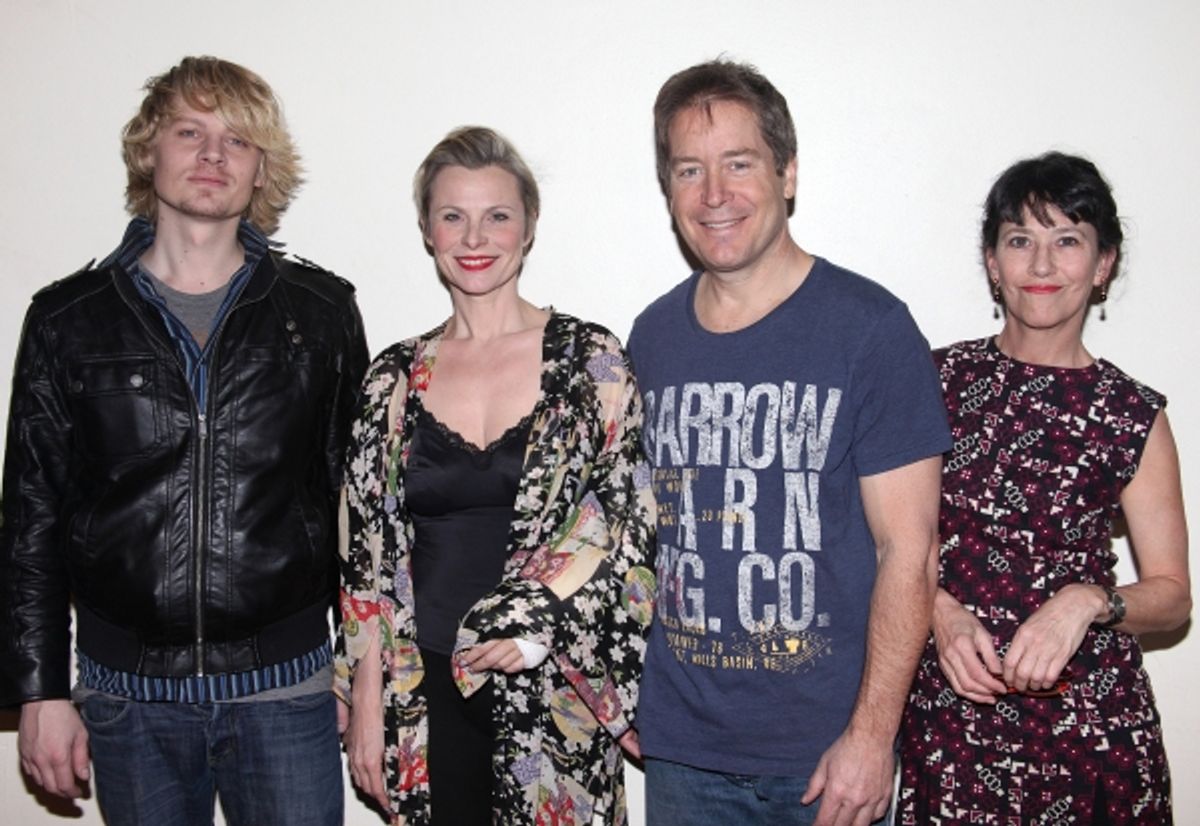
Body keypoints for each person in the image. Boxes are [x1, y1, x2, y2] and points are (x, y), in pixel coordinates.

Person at [0, 56, 369, 826]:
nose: (211, 156)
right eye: (190, 132)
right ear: (148, 150)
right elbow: (29, 520)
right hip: (126, 700)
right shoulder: (67, 320)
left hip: (288, 691)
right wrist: (37, 691)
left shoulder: (321, 313)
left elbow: (359, 515)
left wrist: (364, 672)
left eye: (237, 141)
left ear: (261, 168)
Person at [627, 59, 952, 826]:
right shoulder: (650, 337)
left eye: (739, 164)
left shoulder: (871, 329)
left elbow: (910, 551)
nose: (714, 195)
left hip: (823, 758)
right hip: (681, 752)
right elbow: (632, 536)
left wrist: (873, 737)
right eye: (689, 170)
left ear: (788, 173)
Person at [336, 125, 657, 826]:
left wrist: (539, 624)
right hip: (420, 692)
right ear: (427, 230)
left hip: (556, 689)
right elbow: (365, 559)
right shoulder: (390, 378)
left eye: (497, 215)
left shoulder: (590, 362)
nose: (474, 236)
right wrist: (364, 700)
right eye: (453, 215)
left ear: (529, 226)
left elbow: (629, 529)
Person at [898, 151, 1191, 824]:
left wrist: (1086, 602)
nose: (1041, 265)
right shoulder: (933, 382)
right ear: (993, 262)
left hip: (1094, 736)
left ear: (1103, 264)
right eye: (1020, 240)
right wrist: (935, 609)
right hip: (952, 726)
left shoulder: (1131, 413)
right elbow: (871, 536)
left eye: (1068, 240)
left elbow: (1173, 596)